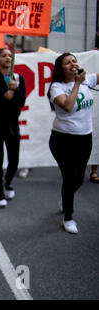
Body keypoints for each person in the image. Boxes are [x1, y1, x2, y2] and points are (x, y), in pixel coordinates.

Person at [47, 52, 98, 234]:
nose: (73, 64)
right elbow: (67, 106)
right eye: (67, 63)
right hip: (63, 140)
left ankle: (65, 195)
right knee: (70, 178)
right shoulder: (56, 87)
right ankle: (68, 217)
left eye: (74, 61)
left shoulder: (88, 80)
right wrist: (77, 83)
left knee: (78, 179)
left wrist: (81, 81)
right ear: (61, 69)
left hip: (85, 137)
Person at [0, 48, 26, 208]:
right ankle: (0, 194)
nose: (8, 58)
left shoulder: (18, 78)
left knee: (14, 160)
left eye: (10, 55)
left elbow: (21, 102)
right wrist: (2, 94)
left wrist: (15, 92)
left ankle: (8, 181)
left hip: (13, 126)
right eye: (4, 55)